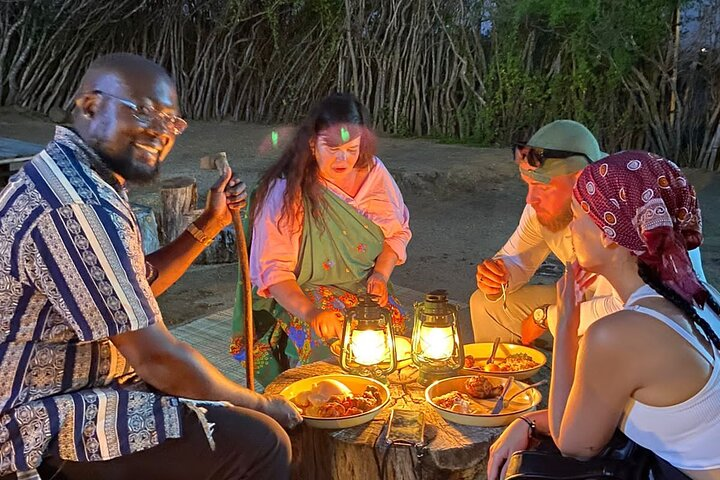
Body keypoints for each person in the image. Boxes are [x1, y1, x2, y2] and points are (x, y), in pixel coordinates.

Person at [0, 53, 300, 480]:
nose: (161, 131)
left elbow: (131, 291)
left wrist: (210, 223)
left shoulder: (82, 177)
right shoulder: (74, 204)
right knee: (261, 442)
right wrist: (258, 404)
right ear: (89, 106)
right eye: (144, 112)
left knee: (215, 409)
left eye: (172, 121)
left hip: (85, 388)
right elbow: (158, 358)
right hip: (34, 419)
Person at [487, 151, 720, 480]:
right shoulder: (698, 297)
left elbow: (574, 444)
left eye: (578, 215)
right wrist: (526, 420)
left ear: (609, 236)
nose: (570, 229)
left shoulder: (618, 334)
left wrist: (567, 324)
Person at [230, 93, 412, 385]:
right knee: (330, 348)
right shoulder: (287, 191)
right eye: (332, 148)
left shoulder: (374, 173)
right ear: (313, 144)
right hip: (303, 291)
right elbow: (274, 272)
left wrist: (380, 274)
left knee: (393, 336)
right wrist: (312, 312)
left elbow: (397, 233)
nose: (343, 159)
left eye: (352, 149)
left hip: (362, 285)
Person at [470, 120, 706, 345]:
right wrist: (499, 275)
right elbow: (517, 258)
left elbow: (642, 304)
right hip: (584, 298)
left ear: (580, 180)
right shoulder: (541, 209)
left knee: (597, 335)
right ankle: (501, 384)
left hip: (649, 321)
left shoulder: (626, 205)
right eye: (528, 185)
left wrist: (546, 317)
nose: (531, 199)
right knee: (485, 304)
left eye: (542, 187)